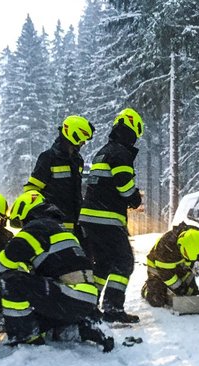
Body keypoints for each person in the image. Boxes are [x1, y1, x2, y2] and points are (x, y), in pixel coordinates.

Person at [0, 191, 114, 352]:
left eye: (21, 222)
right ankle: (84, 329)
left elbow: (1, 265)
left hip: (69, 296)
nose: (22, 226)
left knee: (11, 281)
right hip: (85, 300)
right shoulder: (61, 230)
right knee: (36, 318)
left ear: (25, 212)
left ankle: (25, 337)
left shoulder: (37, 228)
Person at [79, 108, 144, 324]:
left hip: (90, 218)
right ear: (132, 130)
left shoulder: (104, 151)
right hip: (106, 217)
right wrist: (135, 198)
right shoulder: (120, 153)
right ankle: (113, 309)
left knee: (103, 264)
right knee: (124, 262)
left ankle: (91, 304)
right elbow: (124, 186)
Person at [23, 115, 94, 236]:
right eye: (83, 139)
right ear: (74, 134)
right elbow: (31, 190)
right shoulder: (48, 158)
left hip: (76, 224)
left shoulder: (77, 160)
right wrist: (46, 213)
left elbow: (76, 193)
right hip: (54, 226)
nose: (84, 143)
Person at [142, 223, 199, 307]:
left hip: (181, 267)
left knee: (190, 294)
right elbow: (166, 274)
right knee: (157, 300)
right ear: (181, 246)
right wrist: (179, 288)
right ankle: (146, 289)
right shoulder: (166, 247)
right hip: (158, 269)